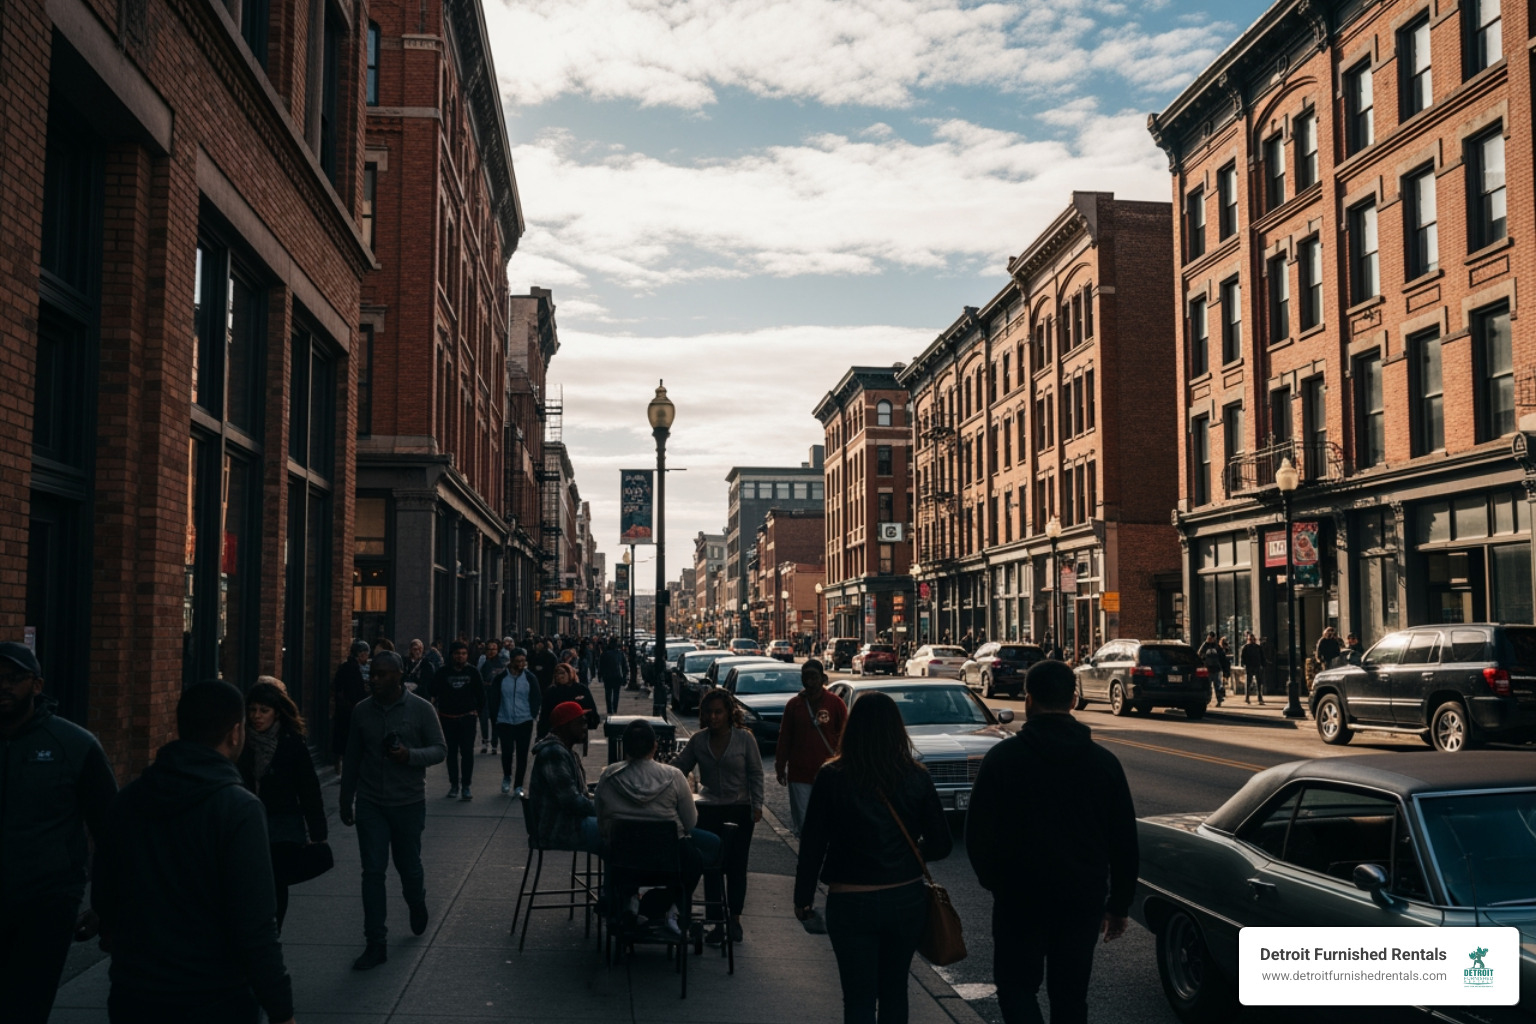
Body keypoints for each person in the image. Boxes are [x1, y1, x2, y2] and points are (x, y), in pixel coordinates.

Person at [95, 681, 296, 1024]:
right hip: (216, 996)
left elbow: (104, 894)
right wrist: (281, 1009)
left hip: (135, 992)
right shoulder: (238, 808)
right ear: (235, 733)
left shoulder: (128, 799)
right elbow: (256, 925)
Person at [966, 660, 1138, 1024]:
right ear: (1073, 701)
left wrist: (997, 883)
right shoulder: (1104, 763)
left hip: (1019, 898)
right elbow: (1124, 841)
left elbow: (978, 834)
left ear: (1028, 701)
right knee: (1071, 997)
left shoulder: (1002, 759)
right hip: (1081, 899)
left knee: (1016, 990)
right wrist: (1118, 905)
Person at [794, 691, 951, 1024]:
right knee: (895, 991)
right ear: (898, 730)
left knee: (858, 998)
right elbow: (941, 844)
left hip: (851, 901)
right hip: (905, 897)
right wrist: (910, 851)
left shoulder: (832, 776)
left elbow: (813, 844)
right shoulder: (916, 775)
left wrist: (803, 897)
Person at [0, 642, 118, 1024]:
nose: (3, 686)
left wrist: (104, 903)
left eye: (14, 678)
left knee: (26, 1007)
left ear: (36, 685)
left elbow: (110, 831)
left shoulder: (74, 745)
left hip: (45, 902)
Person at [339, 650, 447, 971]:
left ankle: (416, 901)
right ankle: (376, 942)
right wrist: (347, 799)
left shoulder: (421, 709)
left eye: (382, 674)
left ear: (399, 675)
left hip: (408, 802)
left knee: (408, 865)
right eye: (372, 673)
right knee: (372, 872)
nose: (374, 679)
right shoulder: (361, 711)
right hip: (371, 801)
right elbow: (352, 756)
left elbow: (440, 749)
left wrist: (409, 756)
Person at [596, 719, 721, 935]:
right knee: (699, 855)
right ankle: (674, 907)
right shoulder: (673, 776)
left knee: (611, 849)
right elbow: (691, 822)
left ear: (625, 747)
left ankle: (628, 903)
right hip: (669, 860)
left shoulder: (609, 776)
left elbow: (602, 819)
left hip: (625, 861)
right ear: (654, 746)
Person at [671, 688, 764, 946]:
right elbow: (680, 767)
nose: (713, 717)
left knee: (736, 866)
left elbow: (756, 773)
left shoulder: (745, 739)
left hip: (739, 808)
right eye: (709, 712)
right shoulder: (699, 740)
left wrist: (757, 805)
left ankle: (734, 919)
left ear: (729, 713)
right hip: (708, 809)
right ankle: (715, 920)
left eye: (718, 712)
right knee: (710, 865)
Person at [238, 680, 326, 933]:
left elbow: (308, 788)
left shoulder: (291, 743)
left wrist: (318, 832)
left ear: (276, 712)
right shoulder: (240, 743)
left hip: (282, 826)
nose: (256, 717)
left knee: (276, 882)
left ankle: (273, 931)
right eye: (252, 710)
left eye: (263, 711)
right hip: (249, 825)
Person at [774, 659, 848, 835]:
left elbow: (846, 737)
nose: (810, 681)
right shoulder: (794, 705)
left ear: (823, 678)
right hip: (800, 774)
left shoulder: (835, 704)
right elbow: (785, 737)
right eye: (806, 677)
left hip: (830, 773)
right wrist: (779, 766)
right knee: (804, 822)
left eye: (814, 677)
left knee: (830, 821)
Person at [528, 701, 600, 853]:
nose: (585, 728)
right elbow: (571, 800)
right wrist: (605, 810)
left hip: (566, 822)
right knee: (616, 833)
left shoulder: (564, 751)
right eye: (581, 723)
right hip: (558, 828)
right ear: (566, 726)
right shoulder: (553, 753)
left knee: (616, 832)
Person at [432, 641, 484, 800]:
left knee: (467, 752)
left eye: (463, 654)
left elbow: (481, 695)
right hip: (447, 718)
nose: (460, 657)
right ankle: (454, 784)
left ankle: (466, 785)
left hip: (467, 718)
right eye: (457, 654)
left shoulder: (473, 672)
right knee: (451, 753)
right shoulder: (442, 672)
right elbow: (432, 690)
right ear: (451, 655)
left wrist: (477, 712)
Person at [490, 647, 541, 796]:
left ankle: (518, 784)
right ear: (511, 661)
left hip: (524, 720)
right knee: (506, 751)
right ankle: (507, 776)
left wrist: (533, 713)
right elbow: (494, 698)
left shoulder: (530, 678)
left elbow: (536, 696)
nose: (521, 664)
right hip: (505, 720)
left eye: (523, 661)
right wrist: (495, 717)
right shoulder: (501, 679)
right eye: (518, 661)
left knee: (522, 754)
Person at [331, 640, 371, 771]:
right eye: (366, 654)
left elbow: (337, 688)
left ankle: (339, 766)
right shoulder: (355, 669)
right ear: (361, 654)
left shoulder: (344, 667)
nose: (367, 657)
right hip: (352, 709)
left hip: (344, 710)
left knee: (343, 739)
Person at [539, 661, 599, 738]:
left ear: (570, 673)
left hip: (577, 731)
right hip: (557, 731)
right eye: (556, 673)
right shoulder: (551, 691)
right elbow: (544, 715)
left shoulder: (581, 689)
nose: (559, 676)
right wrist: (541, 735)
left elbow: (591, 709)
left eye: (562, 673)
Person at [477, 639, 502, 755]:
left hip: (497, 696)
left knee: (495, 720)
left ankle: (494, 744)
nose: (491, 652)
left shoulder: (502, 663)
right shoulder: (482, 662)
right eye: (489, 649)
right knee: (483, 719)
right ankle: (484, 742)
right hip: (484, 695)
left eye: (494, 649)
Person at [599, 639, 627, 716]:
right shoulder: (620, 654)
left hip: (607, 676)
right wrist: (624, 676)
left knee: (608, 693)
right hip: (617, 676)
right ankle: (614, 709)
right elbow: (625, 666)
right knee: (616, 693)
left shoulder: (604, 654)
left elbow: (601, 666)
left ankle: (609, 709)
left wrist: (600, 675)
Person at [1197, 631, 1225, 706]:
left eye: (1212, 638)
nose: (1211, 639)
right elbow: (1199, 654)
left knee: (1217, 686)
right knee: (1208, 686)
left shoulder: (1216, 646)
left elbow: (1222, 655)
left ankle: (1219, 700)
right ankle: (1207, 700)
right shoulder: (1205, 645)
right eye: (1210, 638)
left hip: (1216, 669)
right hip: (1208, 669)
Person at [1239, 632, 1266, 704]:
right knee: (1249, 683)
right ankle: (1247, 698)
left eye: (1253, 639)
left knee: (1259, 683)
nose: (1252, 640)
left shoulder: (1258, 647)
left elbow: (1262, 657)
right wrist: (1243, 665)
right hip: (1249, 667)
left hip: (1256, 666)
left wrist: (1263, 665)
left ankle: (1259, 698)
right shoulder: (1245, 647)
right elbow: (1242, 658)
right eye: (1250, 639)